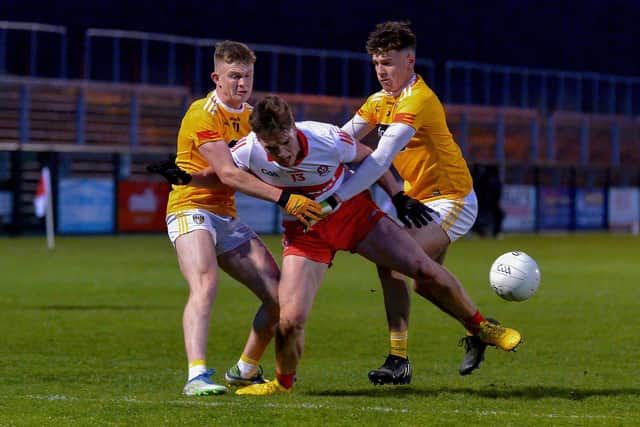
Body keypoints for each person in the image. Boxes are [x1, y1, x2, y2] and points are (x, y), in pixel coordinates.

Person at [229, 95, 520, 396]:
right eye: (271, 148)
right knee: (290, 321)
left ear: (293, 127)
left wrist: (397, 196)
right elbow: (223, 172)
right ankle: (282, 384)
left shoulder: (325, 138)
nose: (282, 154)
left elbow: (372, 159)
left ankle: (482, 327)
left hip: (355, 215)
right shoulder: (250, 149)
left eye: (285, 143)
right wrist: (187, 174)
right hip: (307, 232)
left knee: (421, 267)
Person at [325, 21, 510, 382]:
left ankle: (399, 360)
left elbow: (379, 157)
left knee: (393, 260)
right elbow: (341, 141)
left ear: (409, 61)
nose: (381, 71)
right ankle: (478, 330)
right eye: (377, 63)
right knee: (424, 283)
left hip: (451, 199)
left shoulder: (419, 100)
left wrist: (337, 199)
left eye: (389, 63)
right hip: (417, 201)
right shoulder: (379, 101)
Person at [150, 40, 322, 396]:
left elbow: (262, 166)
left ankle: (245, 369)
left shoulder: (251, 119)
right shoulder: (202, 113)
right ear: (216, 77)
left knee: (280, 298)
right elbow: (228, 174)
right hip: (190, 208)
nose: (242, 84)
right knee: (205, 284)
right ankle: (196, 375)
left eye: (247, 76)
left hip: (225, 216)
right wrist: (287, 199)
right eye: (234, 76)